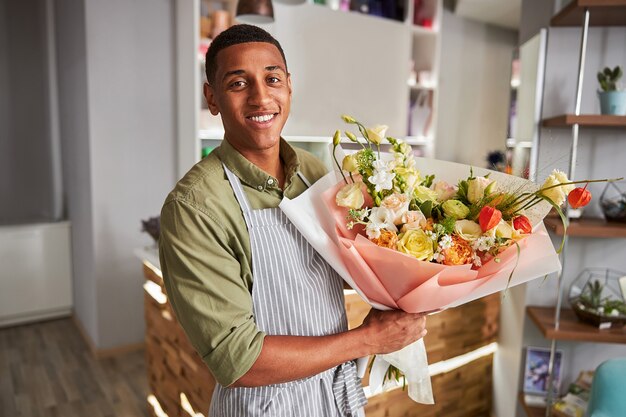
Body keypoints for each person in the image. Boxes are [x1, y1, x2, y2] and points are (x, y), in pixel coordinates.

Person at [158, 24, 428, 417]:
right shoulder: (194, 208)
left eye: (272, 79)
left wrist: (418, 267)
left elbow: (351, 269)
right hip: (262, 406)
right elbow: (238, 359)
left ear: (289, 86)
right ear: (211, 97)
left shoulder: (315, 173)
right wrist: (369, 340)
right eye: (238, 83)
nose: (261, 96)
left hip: (335, 396)